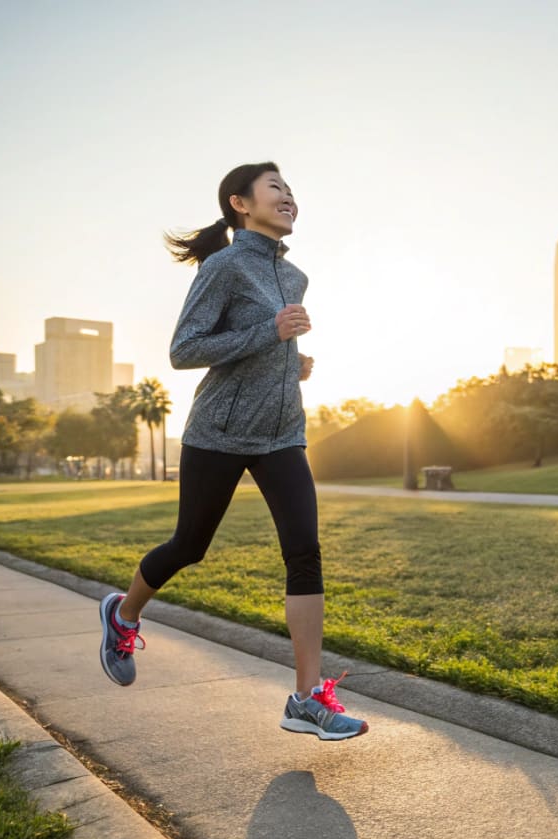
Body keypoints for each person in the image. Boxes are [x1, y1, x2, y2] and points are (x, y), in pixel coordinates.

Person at [98, 161, 367, 741]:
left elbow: (263, 347)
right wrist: (269, 334)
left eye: (292, 190)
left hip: (283, 434)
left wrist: (291, 365)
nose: (289, 196)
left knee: (305, 550)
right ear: (240, 203)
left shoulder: (295, 278)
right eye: (276, 188)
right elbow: (185, 349)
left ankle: (306, 698)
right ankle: (123, 614)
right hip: (218, 431)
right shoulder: (223, 267)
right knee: (189, 545)